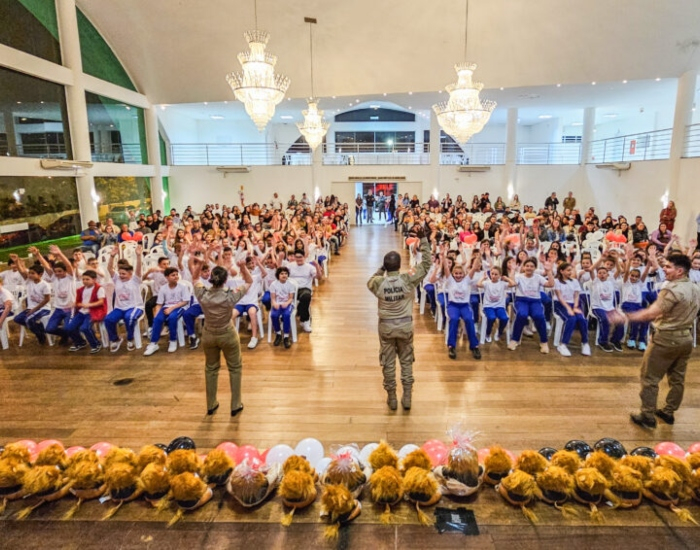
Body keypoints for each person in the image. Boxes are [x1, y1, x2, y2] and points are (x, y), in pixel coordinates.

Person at [612, 254, 700, 429]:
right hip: (686, 338)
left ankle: (647, 415)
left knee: (649, 377)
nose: (664, 269)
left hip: (666, 338)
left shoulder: (672, 290)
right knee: (677, 379)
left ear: (679, 271)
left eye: (668, 267)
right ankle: (669, 412)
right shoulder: (695, 287)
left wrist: (625, 317)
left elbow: (651, 313)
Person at [367, 224, 430, 411]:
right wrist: (423, 239)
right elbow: (426, 264)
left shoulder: (378, 282)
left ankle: (392, 398)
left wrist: (382, 269)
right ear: (400, 265)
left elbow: (370, 281)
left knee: (388, 363)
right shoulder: (408, 279)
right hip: (405, 326)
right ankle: (407, 397)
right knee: (406, 361)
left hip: (386, 327)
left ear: (386, 266)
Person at [192, 263, 250, 417]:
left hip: (209, 333)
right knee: (235, 368)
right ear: (225, 280)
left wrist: (200, 263)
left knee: (211, 369)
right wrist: (243, 267)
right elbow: (249, 281)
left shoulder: (202, 294)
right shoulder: (230, 295)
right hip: (227, 333)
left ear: (210, 278)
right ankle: (235, 404)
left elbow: (195, 278)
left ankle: (211, 404)